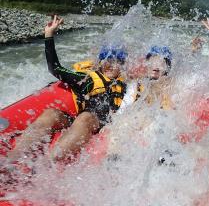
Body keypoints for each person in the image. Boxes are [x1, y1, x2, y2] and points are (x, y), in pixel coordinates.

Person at [7, 15, 127, 162]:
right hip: (82, 120)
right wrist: (49, 35)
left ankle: (46, 165)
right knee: (51, 114)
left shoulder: (129, 84)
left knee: (85, 118)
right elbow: (55, 69)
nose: (110, 65)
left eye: (116, 62)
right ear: (101, 62)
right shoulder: (88, 80)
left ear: (123, 65)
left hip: (102, 124)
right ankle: (10, 162)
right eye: (107, 60)